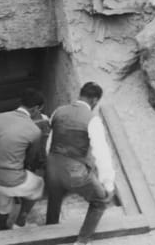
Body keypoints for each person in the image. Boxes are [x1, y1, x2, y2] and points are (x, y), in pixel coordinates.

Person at [45, 82, 115, 245]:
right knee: (100, 201)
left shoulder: (58, 111)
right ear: (95, 100)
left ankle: (49, 234)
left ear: (80, 95)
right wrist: (108, 183)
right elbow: (101, 153)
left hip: (52, 165)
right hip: (73, 172)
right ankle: (82, 241)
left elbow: (49, 144)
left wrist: (52, 166)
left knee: (54, 197)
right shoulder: (92, 120)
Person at [0, 89, 45, 230]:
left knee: (2, 204)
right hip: (12, 180)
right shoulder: (34, 130)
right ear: (36, 109)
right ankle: (20, 223)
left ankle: (3, 228)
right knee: (39, 184)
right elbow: (31, 160)